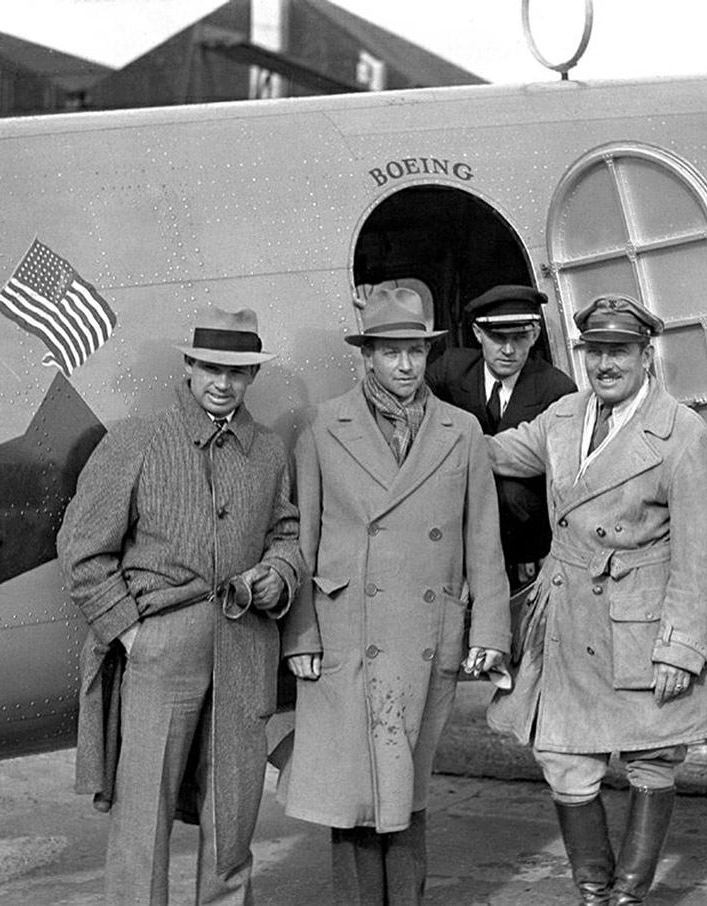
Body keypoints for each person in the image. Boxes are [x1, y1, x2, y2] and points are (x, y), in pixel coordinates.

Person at [486, 293, 707, 906]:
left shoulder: (683, 434)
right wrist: (432, 425)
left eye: (618, 351)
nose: (604, 365)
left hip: (644, 623)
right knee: (565, 759)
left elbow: (703, 554)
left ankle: (627, 895)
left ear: (646, 355)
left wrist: (682, 649)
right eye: (594, 351)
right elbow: (492, 452)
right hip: (570, 616)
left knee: (651, 758)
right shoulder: (562, 418)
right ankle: (594, 893)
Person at [57, 307, 303, 906]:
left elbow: (287, 533)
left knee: (233, 823)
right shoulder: (138, 440)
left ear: (252, 377)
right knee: (144, 823)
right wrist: (132, 633)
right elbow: (82, 551)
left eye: (239, 372)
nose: (224, 383)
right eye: (212, 367)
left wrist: (279, 574)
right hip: (161, 647)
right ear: (189, 366)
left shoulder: (268, 451)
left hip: (245, 647)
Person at [276, 284, 511, 905]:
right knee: (349, 792)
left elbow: (482, 538)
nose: (404, 365)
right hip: (347, 631)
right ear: (368, 356)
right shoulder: (324, 426)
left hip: (424, 634)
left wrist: (489, 631)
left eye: (414, 351)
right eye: (390, 352)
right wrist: (300, 633)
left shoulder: (462, 431)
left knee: (407, 791)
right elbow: (300, 535)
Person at [425, 284, 576, 586]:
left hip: (527, 532)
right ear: (478, 334)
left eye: (520, 338)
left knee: (509, 492)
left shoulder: (557, 390)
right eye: (498, 338)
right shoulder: (450, 371)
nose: (509, 350)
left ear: (534, 335)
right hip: (460, 518)